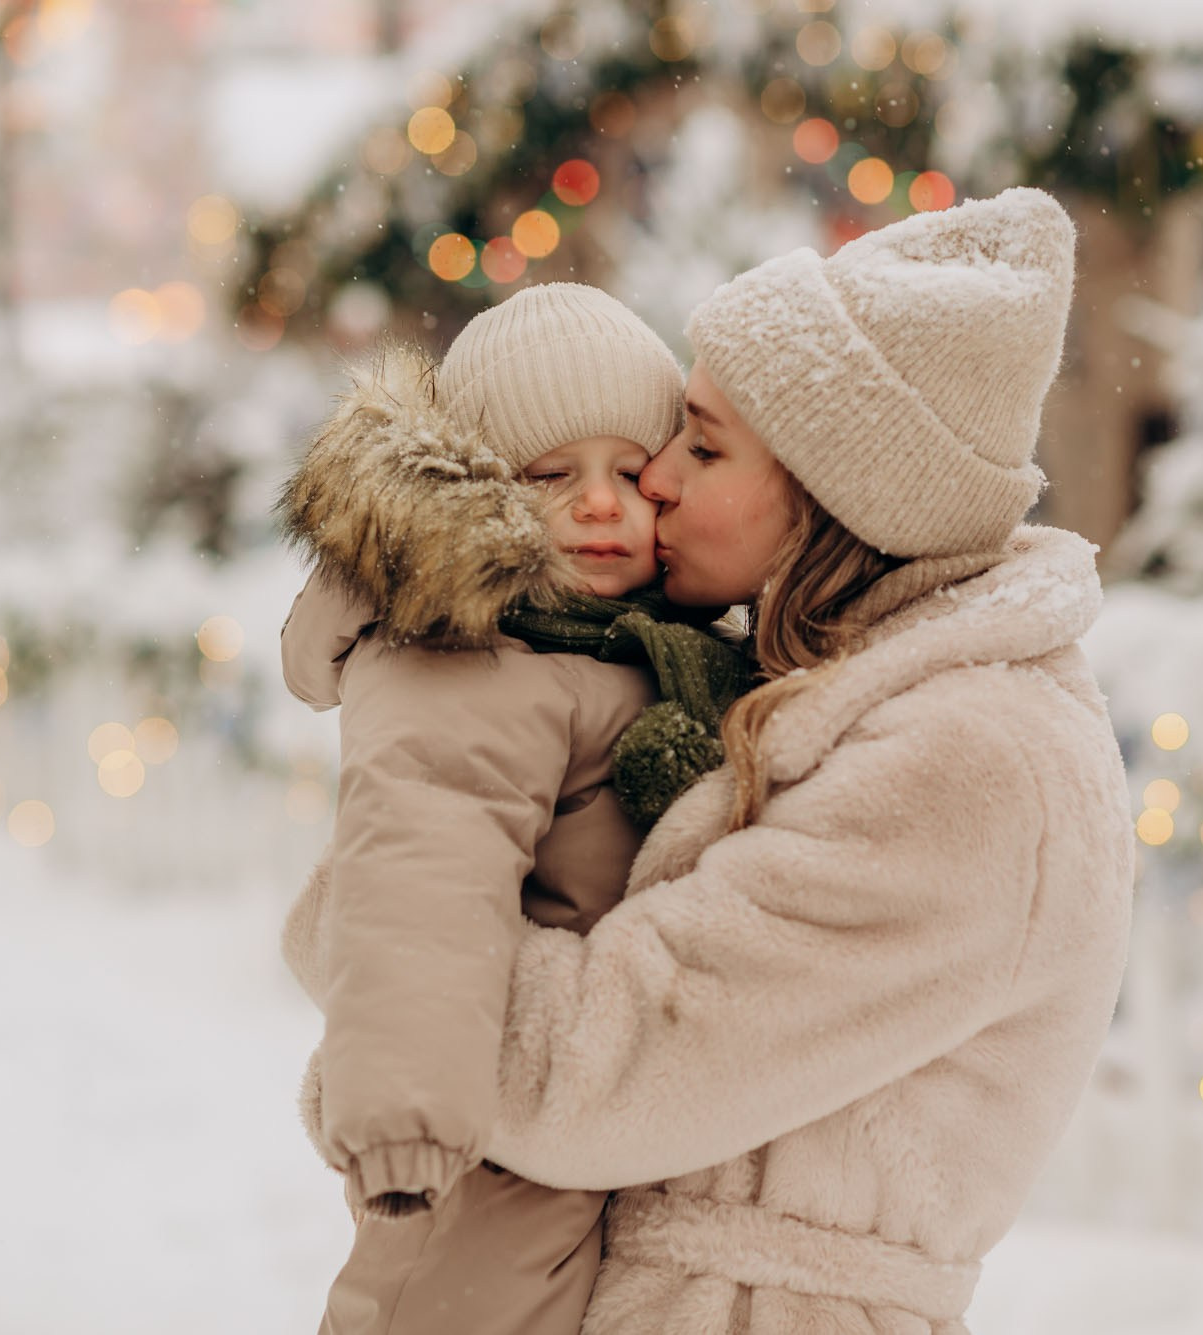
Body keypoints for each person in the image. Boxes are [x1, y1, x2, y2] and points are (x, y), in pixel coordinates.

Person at [288, 186, 1137, 1332]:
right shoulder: (796, 683)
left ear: (831, 486)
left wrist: (368, 916)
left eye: (698, 442)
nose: (653, 484)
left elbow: (590, 1079)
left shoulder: (973, 764)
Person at [275, 283, 748, 1335]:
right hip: (480, 1148)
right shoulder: (470, 660)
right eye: (551, 476)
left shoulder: (632, 644)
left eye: (631, 473)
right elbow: (419, 873)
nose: (598, 503)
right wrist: (406, 1113)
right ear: (474, 494)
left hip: (594, 1110)